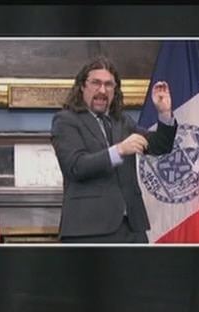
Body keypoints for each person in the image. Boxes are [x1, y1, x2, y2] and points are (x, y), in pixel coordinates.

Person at [51, 55, 175, 244]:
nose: (102, 90)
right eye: (96, 83)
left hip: (132, 228)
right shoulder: (65, 120)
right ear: (82, 86)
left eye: (109, 84)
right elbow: (75, 166)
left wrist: (164, 113)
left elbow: (160, 145)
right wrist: (119, 151)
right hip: (88, 229)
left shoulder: (122, 120)